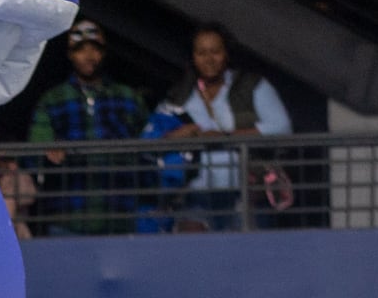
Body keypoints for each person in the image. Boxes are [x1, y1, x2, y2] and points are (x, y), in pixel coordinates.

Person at [158, 23, 294, 231]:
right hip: (194, 195)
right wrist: (179, 135)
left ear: (226, 54)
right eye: (201, 52)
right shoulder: (180, 94)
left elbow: (281, 127)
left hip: (245, 194)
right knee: (192, 251)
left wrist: (225, 136)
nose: (209, 59)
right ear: (193, 57)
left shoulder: (251, 85)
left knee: (245, 258)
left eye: (215, 51)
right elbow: (155, 137)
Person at [26, 18, 149, 235]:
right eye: (80, 50)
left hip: (120, 213)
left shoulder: (129, 98)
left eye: (95, 49)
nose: (89, 56)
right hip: (67, 216)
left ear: (104, 53)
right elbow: (34, 151)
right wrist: (50, 149)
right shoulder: (52, 100)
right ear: (70, 54)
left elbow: (149, 147)